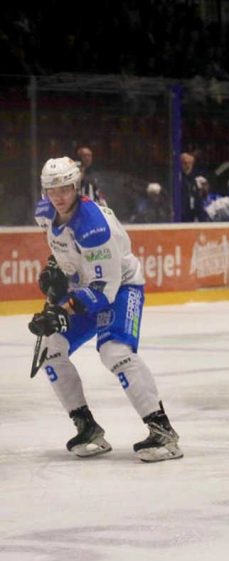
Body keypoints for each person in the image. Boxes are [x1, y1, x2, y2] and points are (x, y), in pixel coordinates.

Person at [30, 157, 183, 462]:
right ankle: (87, 428)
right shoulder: (45, 211)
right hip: (87, 286)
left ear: (76, 186)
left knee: (114, 350)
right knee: (52, 349)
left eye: (64, 188)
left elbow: (105, 288)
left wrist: (64, 310)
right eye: (51, 189)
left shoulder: (93, 226)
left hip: (121, 287)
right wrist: (56, 269)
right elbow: (63, 247)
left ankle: (163, 432)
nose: (58, 196)